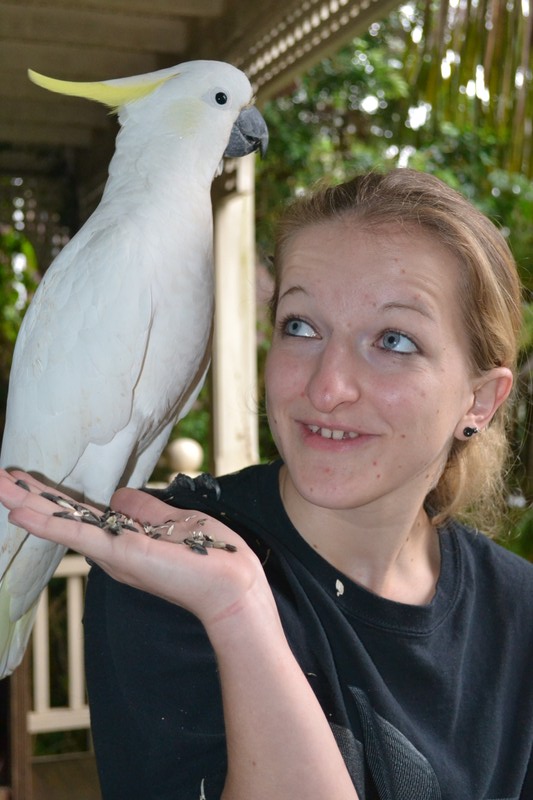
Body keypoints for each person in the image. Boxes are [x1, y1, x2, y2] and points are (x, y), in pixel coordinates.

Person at [0, 168, 532, 800]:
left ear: (480, 400)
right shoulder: (171, 567)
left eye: (393, 341)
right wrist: (237, 611)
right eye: (301, 326)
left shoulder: (516, 612)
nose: (326, 387)